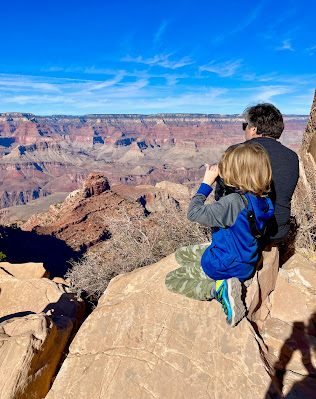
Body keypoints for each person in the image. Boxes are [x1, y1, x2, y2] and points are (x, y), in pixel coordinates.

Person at [165, 143, 274, 327]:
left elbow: (194, 213)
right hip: (243, 261)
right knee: (180, 254)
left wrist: (206, 184)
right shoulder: (262, 198)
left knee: (172, 279)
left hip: (223, 266)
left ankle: (219, 289)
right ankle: (227, 283)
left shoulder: (232, 203)